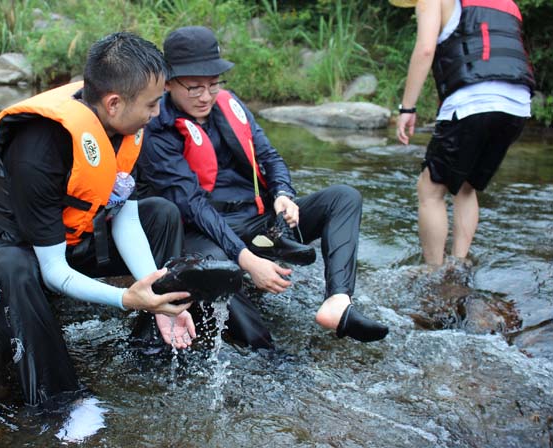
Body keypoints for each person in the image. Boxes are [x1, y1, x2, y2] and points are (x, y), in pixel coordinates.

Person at [0, 32, 196, 406]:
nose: (157, 115)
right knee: (13, 267)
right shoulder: (39, 145)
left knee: (163, 214)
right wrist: (126, 299)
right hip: (21, 249)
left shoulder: (120, 127)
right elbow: (52, 270)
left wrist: (152, 292)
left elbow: (126, 215)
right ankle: (58, 402)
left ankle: (151, 346)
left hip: (74, 239)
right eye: (153, 105)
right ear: (115, 103)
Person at [138, 26, 388, 347]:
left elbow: (268, 155)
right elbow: (192, 204)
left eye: (214, 85)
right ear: (169, 82)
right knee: (219, 270)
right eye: (194, 87)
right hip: (205, 230)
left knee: (343, 198)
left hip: (259, 220)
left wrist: (284, 193)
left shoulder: (229, 105)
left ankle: (337, 301)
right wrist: (247, 260)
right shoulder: (156, 128)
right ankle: (265, 351)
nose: (206, 96)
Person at [393, 0, 534, 266]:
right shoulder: (509, 4)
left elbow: (425, 50)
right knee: (467, 187)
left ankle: (434, 272)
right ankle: (459, 264)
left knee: (430, 189)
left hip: (473, 101)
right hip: (517, 104)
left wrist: (407, 107)